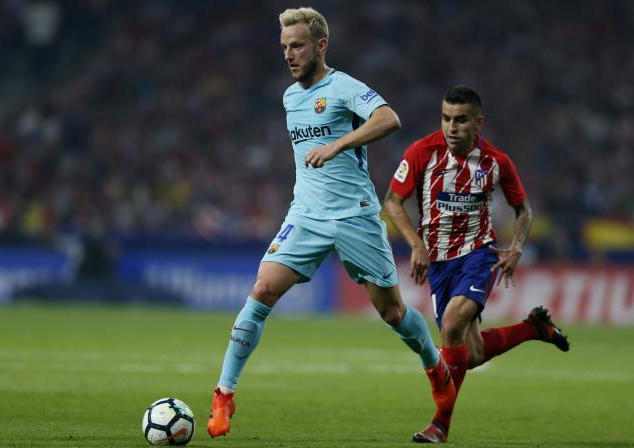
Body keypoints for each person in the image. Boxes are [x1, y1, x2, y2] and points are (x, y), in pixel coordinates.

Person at [206, 7, 456, 441]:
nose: (289, 54)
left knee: (393, 312)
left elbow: (388, 119)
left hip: (355, 215)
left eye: (297, 45)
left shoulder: (343, 87)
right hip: (305, 215)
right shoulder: (289, 97)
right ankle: (224, 394)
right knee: (262, 290)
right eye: (284, 47)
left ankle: (434, 366)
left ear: (320, 45)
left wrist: (338, 144)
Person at [384, 85, 571, 443]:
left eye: (461, 120)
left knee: (452, 325)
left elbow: (524, 210)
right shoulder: (422, 152)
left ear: (478, 123)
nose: (452, 127)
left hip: (478, 255)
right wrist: (416, 244)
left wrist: (515, 248)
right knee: (471, 355)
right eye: (446, 119)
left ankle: (440, 424)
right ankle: (535, 327)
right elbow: (393, 201)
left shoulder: (496, 162)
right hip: (438, 264)